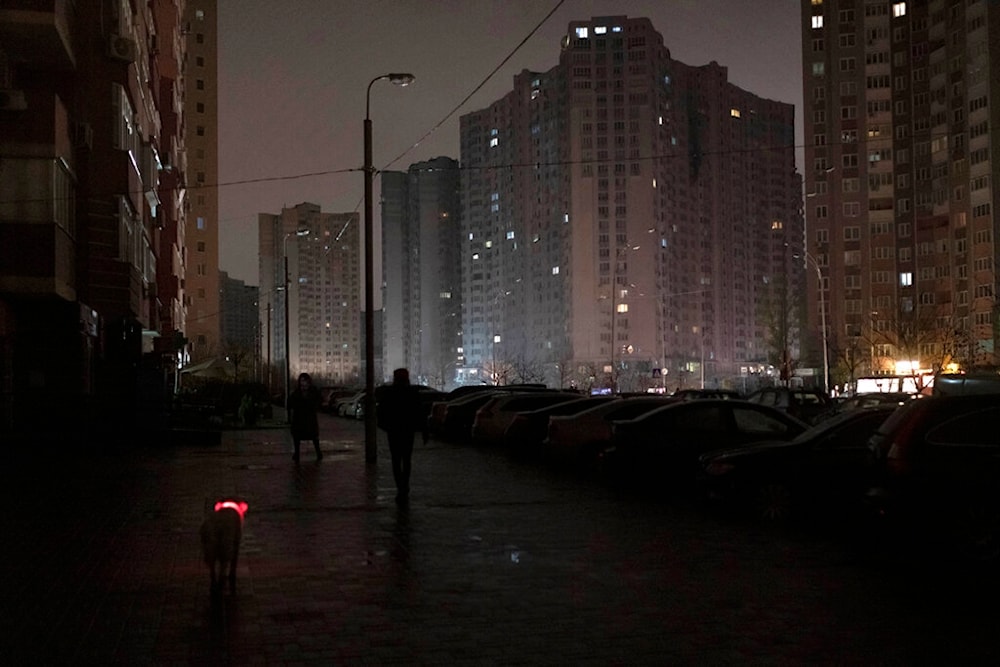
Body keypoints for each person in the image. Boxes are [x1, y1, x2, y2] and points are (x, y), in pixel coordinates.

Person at [375, 368, 428, 503]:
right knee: (406, 459)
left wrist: (386, 427)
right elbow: (420, 412)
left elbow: (381, 412)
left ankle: (401, 487)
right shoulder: (412, 393)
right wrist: (423, 430)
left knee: (396, 460)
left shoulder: (389, 393)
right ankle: (404, 486)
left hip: (394, 431)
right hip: (407, 431)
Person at [288, 372, 322, 462]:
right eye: (302, 381)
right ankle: (297, 454)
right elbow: (291, 403)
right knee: (297, 437)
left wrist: (314, 407)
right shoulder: (297, 392)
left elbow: (318, 401)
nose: (304, 383)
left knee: (314, 437)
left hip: (309, 419)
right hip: (299, 419)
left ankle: (318, 453)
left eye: (305, 381)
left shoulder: (313, 391)